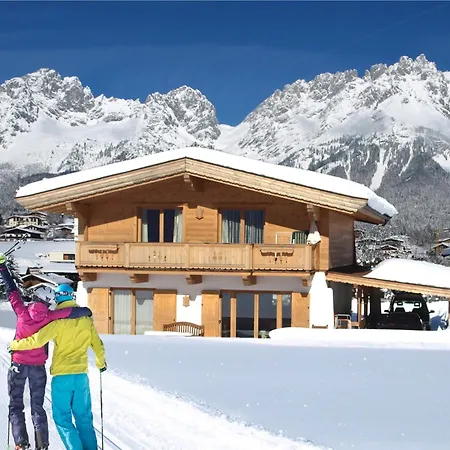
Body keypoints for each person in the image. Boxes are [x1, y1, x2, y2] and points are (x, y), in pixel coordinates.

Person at [0, 254, 93, 450]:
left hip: (18, 365)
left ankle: (20, 443)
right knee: (37, 407)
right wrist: (85, 311)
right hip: (38, 368)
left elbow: (11, 290)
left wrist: (2, 267)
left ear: (33, 299)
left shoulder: (21, 311)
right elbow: (69, 312)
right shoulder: (50, 316)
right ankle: (42, 445)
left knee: (16, 404)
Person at [9, 283, 107, 450]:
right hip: (81, 376)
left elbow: (37, 341)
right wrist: (101, 363)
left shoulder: (57, 322)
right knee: (84, 418)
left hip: (62, 377)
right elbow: (98, 345)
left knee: (62, 418)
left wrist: (15, 345)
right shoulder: (86, 321)